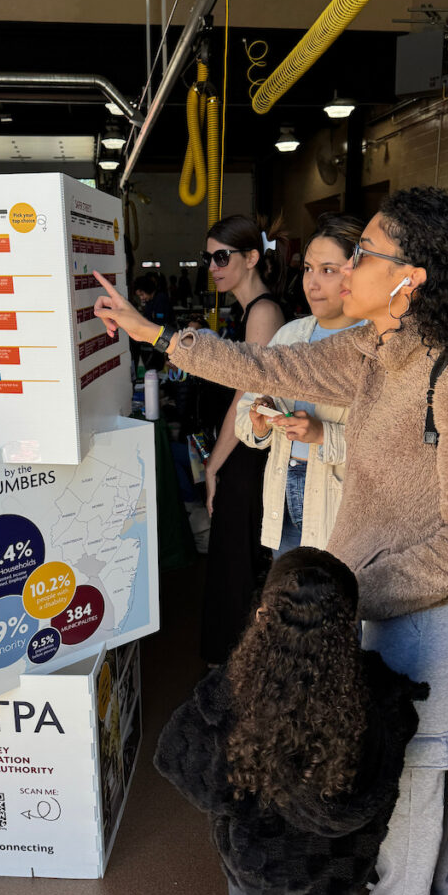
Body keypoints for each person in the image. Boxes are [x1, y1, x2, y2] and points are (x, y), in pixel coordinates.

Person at [93, 186, 448, 895]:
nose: (345, 266)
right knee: (372, 762)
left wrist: (356, 593)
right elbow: (270, 362)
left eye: (364, 255)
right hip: (357, 594)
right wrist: (159, 333)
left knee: (413, 767)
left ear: (412, 278)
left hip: (420, 607)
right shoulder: (377, 349)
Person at [154, 547, 428, 895]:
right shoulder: (376, 699)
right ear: (349, 623)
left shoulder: (227, 695)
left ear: (263, 613)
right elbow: (381, 781)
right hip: (332, 871)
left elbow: (179, 762)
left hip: (255, 863)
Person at [185, 214, 286, 664]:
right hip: (244, 451)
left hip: (250, 454)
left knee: (237, 561)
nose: (213, 266)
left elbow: (248, 400)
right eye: (209, 258)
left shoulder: (263, 311)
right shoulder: (250, 311)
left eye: (221, 256)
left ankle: (237, 669)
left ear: (251, 258)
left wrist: (213, 465)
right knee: (233, 559)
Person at [236, 214, 363, 557]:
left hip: (340, 508)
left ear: (357, 271)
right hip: (285, 499)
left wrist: (324, 435)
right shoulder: (290, 335)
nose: (312, 282)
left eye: (328, 270)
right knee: (289, 601)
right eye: (307, 268)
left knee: (337, 602)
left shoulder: (376, 344)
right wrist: (259, 422)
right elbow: (244, 411)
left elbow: (392, 448)